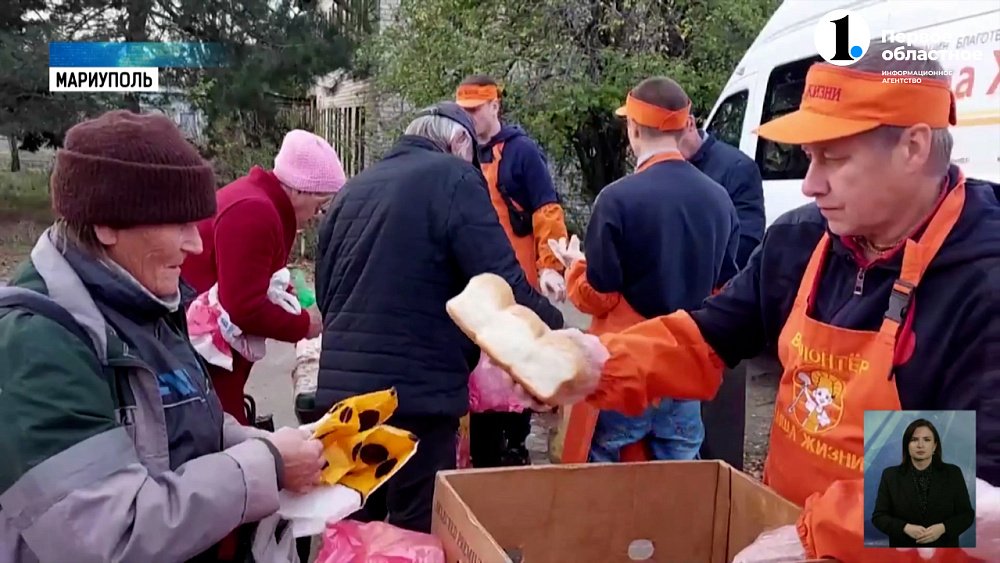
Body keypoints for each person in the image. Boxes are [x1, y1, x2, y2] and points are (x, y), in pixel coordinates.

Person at [543, 42, 1000, 563]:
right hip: (782, 528)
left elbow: (972, 498)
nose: (811, 184)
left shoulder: (981, 277)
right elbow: (709, 336)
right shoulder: (801, 241)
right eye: (809, 157)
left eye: (834, 157)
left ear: (914, 147)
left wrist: (813, 538)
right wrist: (598, 364)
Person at [0, 110, 326, 563]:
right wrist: (265, 466)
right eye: (178, 224)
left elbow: (183, 424)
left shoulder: (145, 302)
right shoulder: (38, 343)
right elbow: (109, 535)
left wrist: (263, 445)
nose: (196, 244)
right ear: (105, 224)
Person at [312, 101, 564, 533]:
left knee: (351, 527)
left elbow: (324, 290)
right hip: (416, 399)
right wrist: (556, 332)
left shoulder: (355, 188)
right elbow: (499, 281)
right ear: (459, 141)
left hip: (344, 398)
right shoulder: (454, 177)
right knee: (414, 531)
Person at [553, 77, 740, 464]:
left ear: (633, 129)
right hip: (685, 367)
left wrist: (576, 268)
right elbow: (725, 288)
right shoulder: (719, 199)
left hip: (629, 366)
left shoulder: (617, 198)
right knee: (681, 482)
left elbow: (598, 295)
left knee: (605, 474)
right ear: (683, 126)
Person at [181, 129, 345, 424]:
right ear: (299, 189)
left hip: (211, 350)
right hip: (205, 354)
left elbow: (254, 280)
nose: (316, 216)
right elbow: (244, 306)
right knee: (224, 430)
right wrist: (304, 325)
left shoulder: (259, 202)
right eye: (319, 205)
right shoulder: (255, 212)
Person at [455, 74, 571, 468]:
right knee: (477, 367)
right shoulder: (459, 150)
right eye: (463, 111)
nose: (469, 118)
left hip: (517, 283)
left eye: (475, 110)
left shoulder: (522, 153)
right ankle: (478, 445)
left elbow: (546, 212)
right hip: (474, 287)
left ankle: (514, 442)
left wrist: (551, 268)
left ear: (495, 106)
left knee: (516, 367)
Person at [677, 115, 766, 470]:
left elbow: (746, 243)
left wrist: (685, 261)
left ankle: (725, 500)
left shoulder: (736, 168)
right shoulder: (665, 170)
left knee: (718, 431)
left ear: (689, 123)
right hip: (677, 316)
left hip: (723, 314)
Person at [872, 419, 975, 548]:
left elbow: (966, 515)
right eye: (914, 440)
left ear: (934, 446)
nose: (920, 445)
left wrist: (943, 528)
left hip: (944, 552)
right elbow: (879, 517)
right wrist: (905, 527)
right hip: (904, 552)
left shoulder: (952, 473)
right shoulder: (890, 475)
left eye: (926, 440)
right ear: (906, 446)